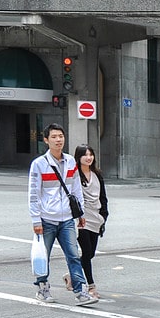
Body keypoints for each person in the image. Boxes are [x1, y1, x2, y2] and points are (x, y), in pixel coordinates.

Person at [29, 124, 97, 306]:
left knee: (73, 255)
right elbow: (34, 194)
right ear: (46, 140)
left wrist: (80, 212)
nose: (58, 140)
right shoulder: (39, 164)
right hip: (47, 218)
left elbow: (76, 189)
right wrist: (36, 220)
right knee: (43, 255)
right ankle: (42, 288)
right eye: (54, 137)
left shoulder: (70, 162)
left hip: (67, 218)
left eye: (61, 136)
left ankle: (81, 291)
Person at [64, 144, 108, 299]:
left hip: (96, 218)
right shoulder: (74, 175)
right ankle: (91, 286)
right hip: (81, 219)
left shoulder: (97, 175)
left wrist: (103, 216)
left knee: (91, 253)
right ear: (79, 157)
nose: (89, 157)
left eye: (91, 154)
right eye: (85, 155)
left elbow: (103, 197)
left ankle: (71, 275)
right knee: (87, 251)